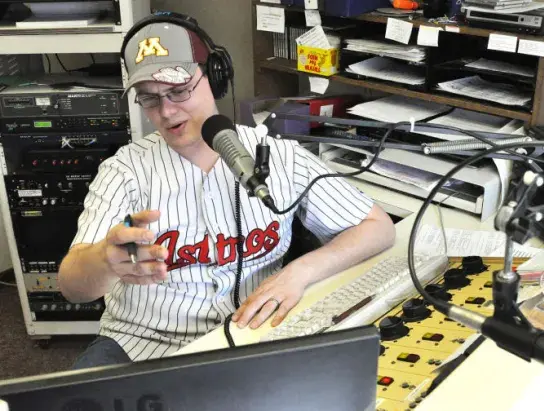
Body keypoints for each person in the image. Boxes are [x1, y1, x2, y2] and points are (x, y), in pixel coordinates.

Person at [58, 13, 396, 368]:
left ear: (216, 77)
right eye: (150, 99)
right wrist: (103, 260)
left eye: (178, 90)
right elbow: (72, 286)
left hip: (252, 336)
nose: (167, 111)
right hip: (140, 343)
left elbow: (378, 227)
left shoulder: (279, 155)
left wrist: (299, 273)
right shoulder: (124, 170)